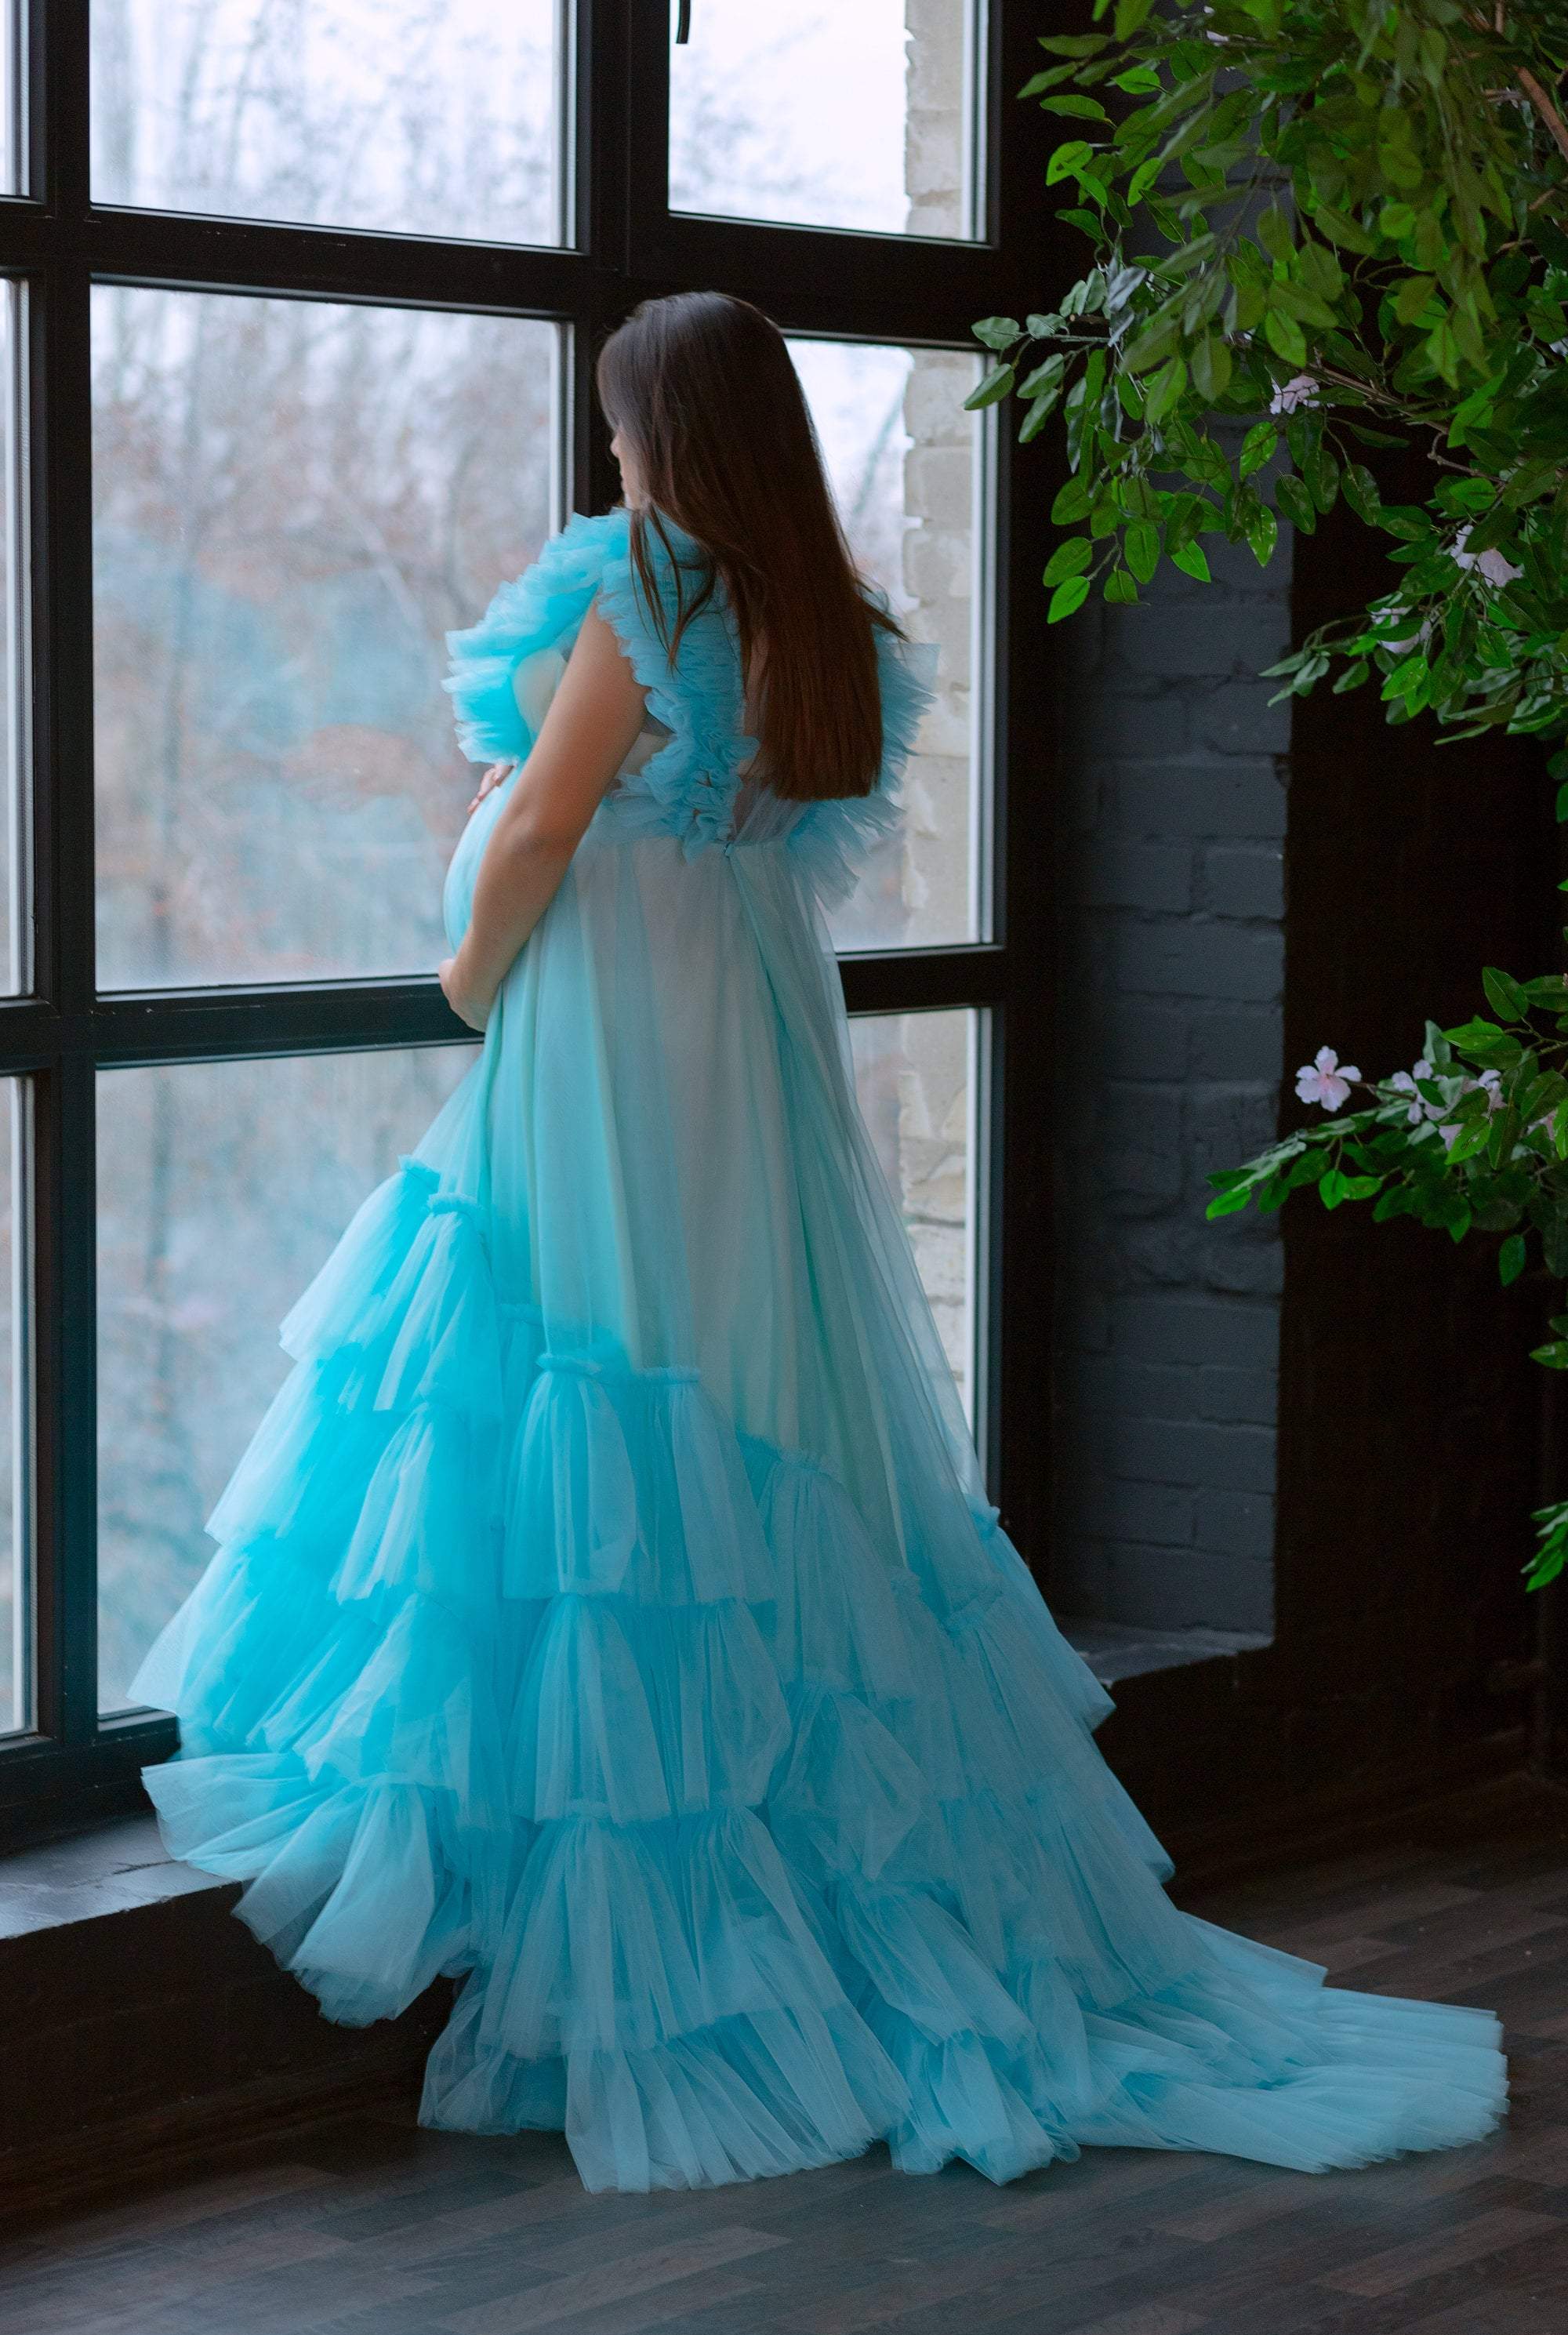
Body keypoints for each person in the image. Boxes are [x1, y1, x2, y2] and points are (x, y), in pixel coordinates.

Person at [133, 291, 1508, 2196]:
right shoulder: (818, 617)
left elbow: (540, 824)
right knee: (730, 1380)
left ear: (659, 430)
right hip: (743, 1040)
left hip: (611, 1028)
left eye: (621, 423)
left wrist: (463, 969)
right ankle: (774, 1835)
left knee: (588, 1354)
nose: (607, 452)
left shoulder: (651, 584)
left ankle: (641, 1863)